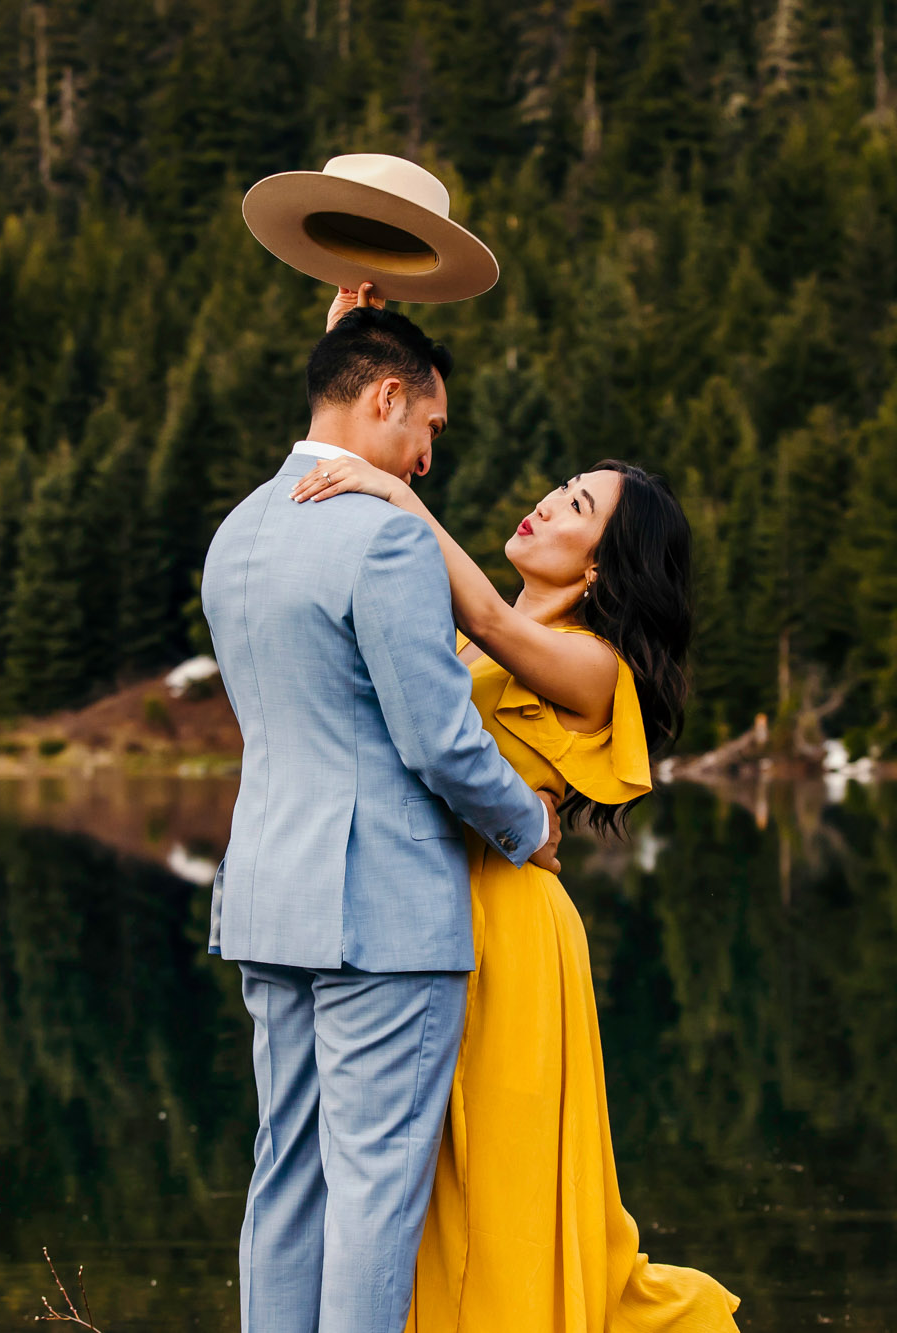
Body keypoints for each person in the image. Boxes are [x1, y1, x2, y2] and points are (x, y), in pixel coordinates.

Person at [287, 289, 743, 1331]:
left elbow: (484, 613)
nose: (543, 503)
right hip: (426, 920)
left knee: (498, 1184)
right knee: (424, 1182)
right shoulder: (483, 638)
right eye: (558, 487)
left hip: (512, 942)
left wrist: (389, 489)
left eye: (574, 511)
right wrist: (343, 363)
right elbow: (346, 487)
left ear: (598, 567)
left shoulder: (593, 666)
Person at [202, 300, 565, 1333]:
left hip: (269, 899)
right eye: (429, 429)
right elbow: (439, 739)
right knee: (372, 1196)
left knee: (287, 1177)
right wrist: (528, 826)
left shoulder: (238, 532)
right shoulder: (384, 538)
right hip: (383, 914)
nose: (425, 457)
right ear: (386, 395)